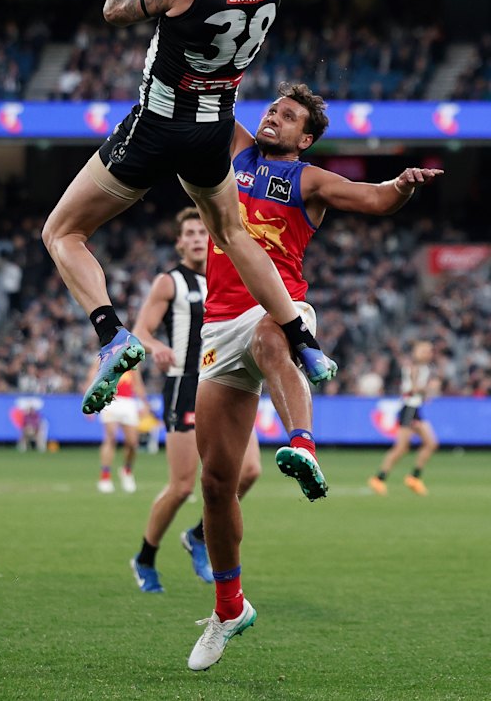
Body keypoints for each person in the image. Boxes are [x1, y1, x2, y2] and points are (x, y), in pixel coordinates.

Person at [42, 0, 337, 417]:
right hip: (212, 132)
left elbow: (116, 7)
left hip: (156, 125)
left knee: (62, 232)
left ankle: (111, 335)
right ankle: (303, 340)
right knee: (232, 232)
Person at [187, 82, 444, 671]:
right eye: (273, 109)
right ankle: (230, 608)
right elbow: (209, 98)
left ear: (305, 137)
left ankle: (301, 443)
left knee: (272, 336)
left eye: (289, 116)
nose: (274, 118)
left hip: (280, 307)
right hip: (218, 328)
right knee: (217, 483)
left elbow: (374, 199)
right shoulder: (235, 153)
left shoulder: (310, 180)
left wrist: (401, 186)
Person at [130, 207, 261, 592]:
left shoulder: (232, 275)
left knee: (250, 471)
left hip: (228, 383)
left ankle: (200, 535)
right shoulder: (170, 282)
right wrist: (156, 348)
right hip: (185, 385)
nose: (197, 238)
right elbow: (141, 331)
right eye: (189, 232)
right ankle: (145, 558)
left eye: (202, 232)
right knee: (183, 485)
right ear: (179, 242)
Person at [368, 340, 439, 497]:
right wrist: (429, 389)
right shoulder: (413, 367)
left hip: (416, 408)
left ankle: (414, 477)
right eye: (424, 351)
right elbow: (413, 389)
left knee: (431, 443)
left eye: (429, 351)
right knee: (402, 448)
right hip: (408, 408)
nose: (428, 354)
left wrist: (426, 392)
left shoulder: (425, 368)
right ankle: (379, 478)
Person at [94, 368, 150, 494]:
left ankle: (127, 470)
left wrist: (144, 403)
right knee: (110, 437)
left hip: (127, 402)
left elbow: (137, 383)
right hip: (109, 400)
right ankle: (105, 476)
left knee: (132, 443)